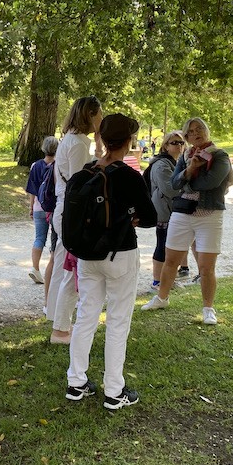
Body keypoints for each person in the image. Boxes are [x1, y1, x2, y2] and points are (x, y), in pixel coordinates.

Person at [66, 114, 154, 411]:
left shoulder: (85, 173)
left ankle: (76, 382)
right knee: (118, 322)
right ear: (129, 141)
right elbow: (151, 217)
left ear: (101, 139)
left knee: (86, 316)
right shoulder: (130, 176)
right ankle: (114, 390)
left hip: (87, 256)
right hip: (121, 254)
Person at [143, 117, 232, 325]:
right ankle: (161, 298)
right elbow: (174, 183)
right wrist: (189, 170)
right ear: (187, 137)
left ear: (207, 131)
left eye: (200, 128)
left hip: (210, 215)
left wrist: (187, 180)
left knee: (206, 266)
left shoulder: (220, 156)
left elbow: (210, 183)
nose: (196, 133)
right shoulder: (185, 156)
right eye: (191, 131)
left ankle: (208, 308)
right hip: (183, 213)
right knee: (171, 259)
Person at [46, 96, 103, 344]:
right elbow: (81, 185)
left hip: (64, 210)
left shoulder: (72, 140)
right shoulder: (78, 143)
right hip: (72, 212)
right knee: (71, 269)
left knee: (63, 265)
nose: (101, 118)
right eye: (99, 113)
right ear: (90, 115)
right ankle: (60, 329)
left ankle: (57, 321)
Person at [145, 131, 184, 293]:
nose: (179, 146)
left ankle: (167, 280)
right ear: (165, 146)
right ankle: (157, 281)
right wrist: (189, 186)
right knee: (163, 245)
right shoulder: (162, 164)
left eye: (181, 143)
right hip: (164, 211)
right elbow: (170, 189)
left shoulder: (173, 162)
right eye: (174, 143)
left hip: (170, 210)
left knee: (170, 246)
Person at [24, 136, 58, 286]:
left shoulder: (35, 166)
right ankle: (53, 269)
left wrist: (31, 206)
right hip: (55, 208)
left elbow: (32, 190)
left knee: (39, 238)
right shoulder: (59, 166)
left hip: (39, 206)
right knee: (55, 239)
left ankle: (35, 268)